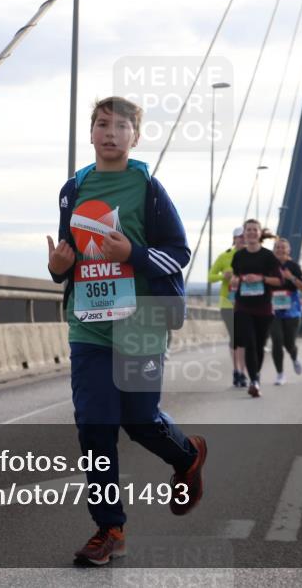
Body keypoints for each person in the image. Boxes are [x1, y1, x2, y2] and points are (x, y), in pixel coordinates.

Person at [47, 96, 208, 564]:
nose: (110, 132)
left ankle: (186, 455)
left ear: (135, 137)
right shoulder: (73, 188)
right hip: (89, 326)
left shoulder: (149, 188)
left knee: (139, 421)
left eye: (121, 126)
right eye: (102, 124)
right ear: (91, 132)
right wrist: (58, 267)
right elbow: (67, 255)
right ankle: (109, 529)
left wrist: (132, 255)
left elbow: (178, 253)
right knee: (95, 426)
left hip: (142, 324)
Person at [230, 219, 282, 398]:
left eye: (254, 229)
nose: (251, 232)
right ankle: (254, 381)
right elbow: (235, 278)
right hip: (243, 307)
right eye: (248, 230)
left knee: (259, 345)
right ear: (244, 233)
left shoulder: (268, 257)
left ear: (260, 233)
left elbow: (279, 281)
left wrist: (261, 278)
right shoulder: (238, 256)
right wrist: (236, 280)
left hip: (263, 308)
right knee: (250, 343)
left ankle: (256, 376)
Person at [208, 227, 248, 387]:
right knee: (235, 338)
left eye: (244, 237)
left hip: (246, 303)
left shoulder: (251, 257)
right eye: (239, 237)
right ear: (234, 239)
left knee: (244, 339)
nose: (242, 240)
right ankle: (237, 371)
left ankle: (242, 371)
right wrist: (222, 276)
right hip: (228, 304)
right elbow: (210, 277)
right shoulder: (225, 257)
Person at [269, 237, 302, 384]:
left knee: (289, 343)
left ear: (288, 250)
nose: (280, 250)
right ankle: (280, 374)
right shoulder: (269, 266)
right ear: (274, 250)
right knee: (277, 340)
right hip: (273, 310)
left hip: (292, 310)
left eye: (283, 247)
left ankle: (295, 357)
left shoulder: (294, 266)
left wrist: (291, 277)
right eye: (277, 247)